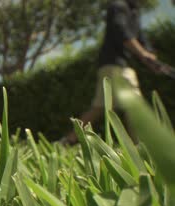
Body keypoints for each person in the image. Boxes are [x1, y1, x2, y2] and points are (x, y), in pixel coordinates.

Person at [62, 0, 161, 145]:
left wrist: (150, 57)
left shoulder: (134, 13)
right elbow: (121, 31)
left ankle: (69, 139)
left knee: (99, 106)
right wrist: (142, 53)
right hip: (115, 64)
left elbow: (141, 38)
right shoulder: (118, 6)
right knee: (133, 104)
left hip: (119, 65)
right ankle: (139, 145)